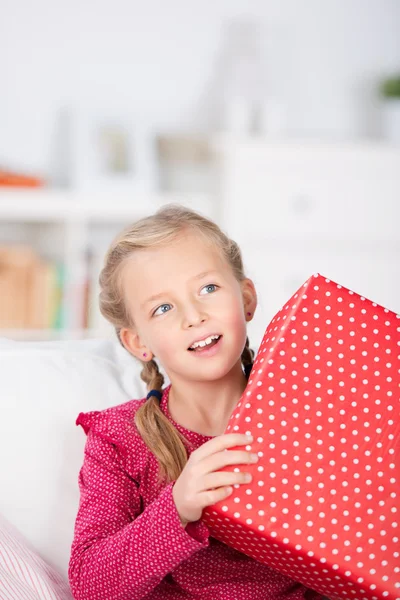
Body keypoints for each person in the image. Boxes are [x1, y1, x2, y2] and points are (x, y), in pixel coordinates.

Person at [68, 204, 325, 600]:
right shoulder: (119, 440)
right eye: (163, 308)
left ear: (247, 299)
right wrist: (178, 507)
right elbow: (90, 586)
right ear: (138, 343)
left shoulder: (306, 412)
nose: (194, 316)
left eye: (208, 289)